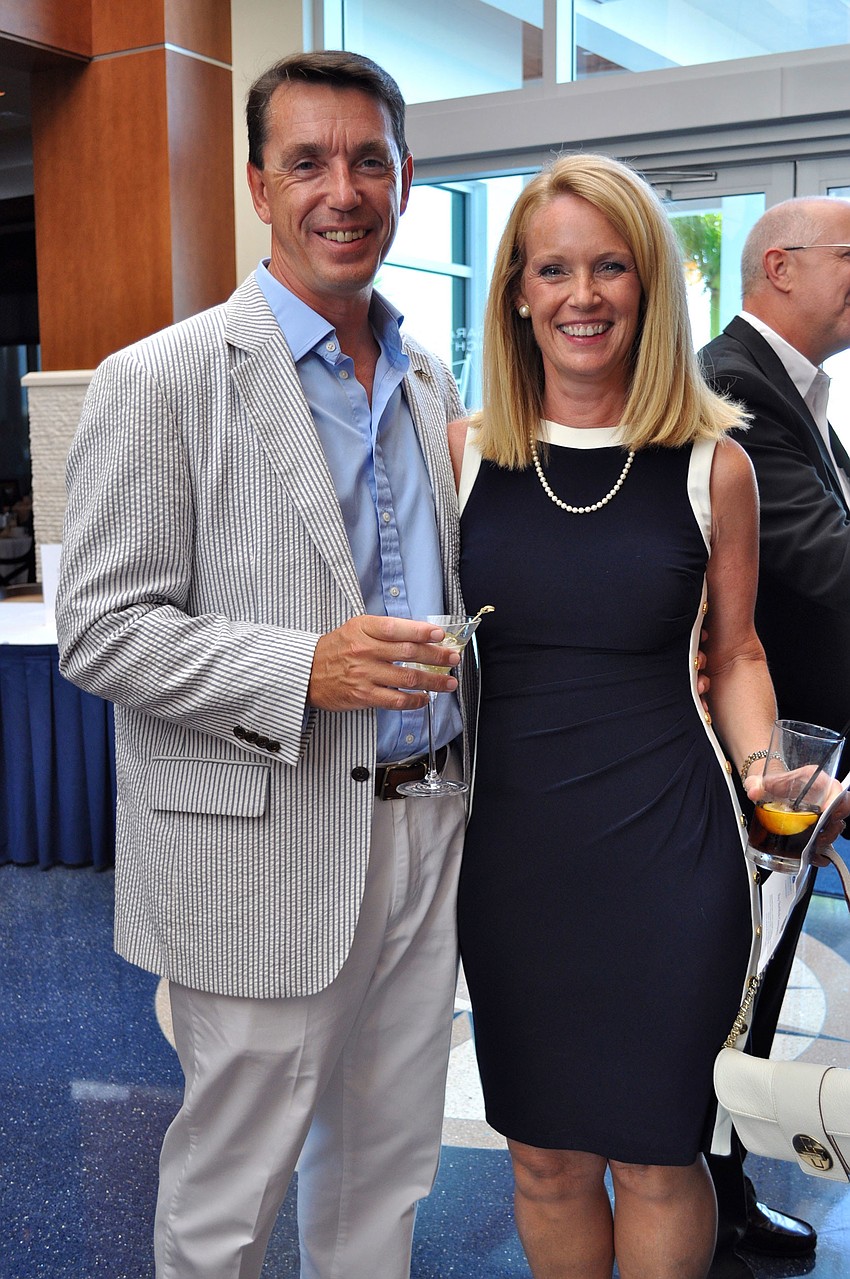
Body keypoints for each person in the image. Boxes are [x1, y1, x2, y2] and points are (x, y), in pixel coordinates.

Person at [56, 51, 473, 1279]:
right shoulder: (160, 378)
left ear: (405, 179)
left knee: (388, 1162)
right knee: (232, 1183)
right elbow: (101, 628)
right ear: (257, 185)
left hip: (431, 822)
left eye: (367, 162)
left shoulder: (425, 373)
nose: (340, 190)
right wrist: (303, 667)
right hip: (261, 843)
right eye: (307, 162)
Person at [448, 153, 779, 1279]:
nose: (581, 294)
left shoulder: (711, 465)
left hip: (670, 853)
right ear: (517, 292)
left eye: (609, 267)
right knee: (540, 1156)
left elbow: (735, 650)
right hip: (513, 856)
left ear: (648, 288)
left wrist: (766, 766)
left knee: (653, 1153)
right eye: (553, 268)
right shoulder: (462, 456)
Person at [699, 196, 850, 1278]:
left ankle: (722, 1188)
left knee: (757, 979)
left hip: (796, 752)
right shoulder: (737, 385)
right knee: (737, 987)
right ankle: (715, 1195)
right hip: (765, 757)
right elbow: (821, 564)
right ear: (779, 266)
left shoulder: (796, 392)